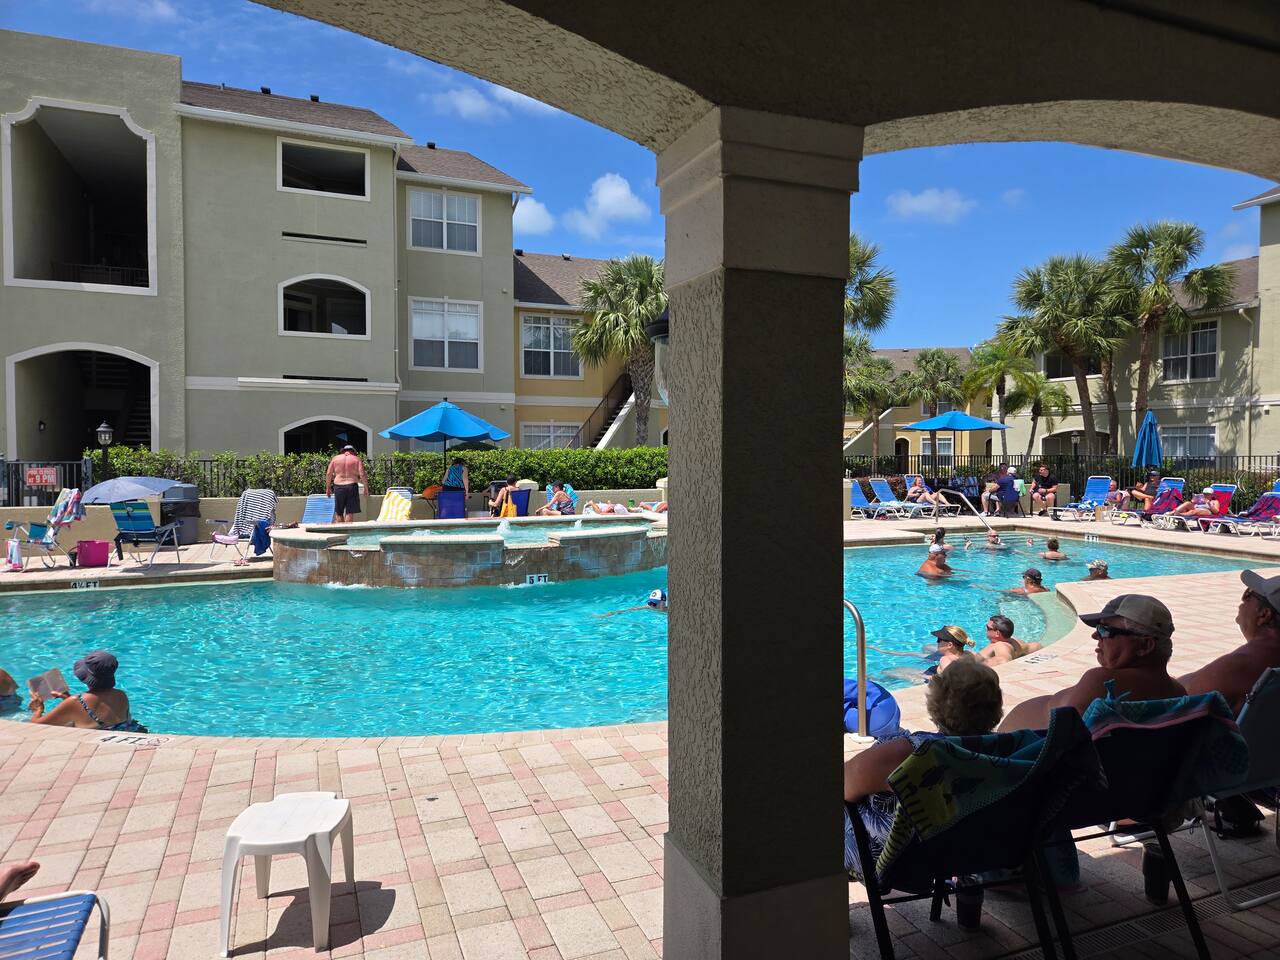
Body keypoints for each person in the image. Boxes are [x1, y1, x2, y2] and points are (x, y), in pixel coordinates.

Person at [843, 658, 1003, 882]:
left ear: (936, 705)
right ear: (996, 707)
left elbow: (844, 785)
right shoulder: (1011, 753)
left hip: (905, 864)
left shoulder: (908, 751)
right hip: (982, 854)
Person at [999, 594, 1185, 732]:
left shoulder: (1103, 682)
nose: (1095, 635)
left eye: (1105, 630)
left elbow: (1062, 744)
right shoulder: (1178, 694)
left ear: (1144, 645)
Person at [1180, 571, 1280, 714]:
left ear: (1264, 615)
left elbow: (1179, 700)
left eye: (1248, 595)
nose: (1242, 600)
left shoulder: (1241, 666)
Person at [29, 651, 146, 732]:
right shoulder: (121, 695)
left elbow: (37, 725)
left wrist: (38, 709)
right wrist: (67, 698)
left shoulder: (75, 702)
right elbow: (98, 710)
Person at [870, 625, 975, 678]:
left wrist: (930, 679)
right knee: (925, 649)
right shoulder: (970, 653)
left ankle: (876, 679)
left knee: (888, 671)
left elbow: (952, 680)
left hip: (929, 676)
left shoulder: (945, 659)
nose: (937, 642)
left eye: (939, 640)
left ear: (950, 645)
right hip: (934, 671)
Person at [978, 614, 1042, 666]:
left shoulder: (1000, 645)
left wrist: (980, 665)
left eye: (988, 628)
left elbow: (1003, 661)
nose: (986, 629)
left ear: (997, 633)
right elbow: (1037, 646)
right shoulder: (1016, 642)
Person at [325, 444, 367, 523]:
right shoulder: (356, 459)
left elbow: (328, 473)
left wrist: (328, 488)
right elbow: (362, 474)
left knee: (339, 512)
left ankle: (341, 530)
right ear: (353, 451)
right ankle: (348, 530)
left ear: (343, 451)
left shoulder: (335, 458)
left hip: (338, 486)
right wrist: (366, 488)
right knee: (349, 512)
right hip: (352, 486)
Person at [596, 588, 668, 617]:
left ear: (663, 602)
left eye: (654, 603)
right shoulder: (649, 607)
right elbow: (630, 609)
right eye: (650, 603)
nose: (651, 605)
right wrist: (612, 613)